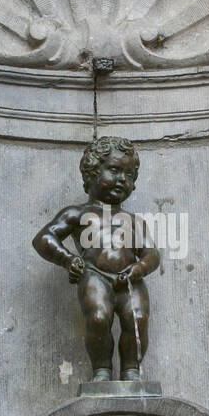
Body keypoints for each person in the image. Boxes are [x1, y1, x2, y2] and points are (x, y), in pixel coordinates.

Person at [32, 136, 159, 380]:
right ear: (92, 172)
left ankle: (131, 370)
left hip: (130, 278)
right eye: (114, 170)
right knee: (98, 317)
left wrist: (140, 268)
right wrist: (68, 259)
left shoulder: (134, 221)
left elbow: (152, 253)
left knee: (138, 318)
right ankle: (102, 369)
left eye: (129, 174)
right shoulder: (78, 213)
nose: (123, 179)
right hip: (95, 275)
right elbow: (44, 238)